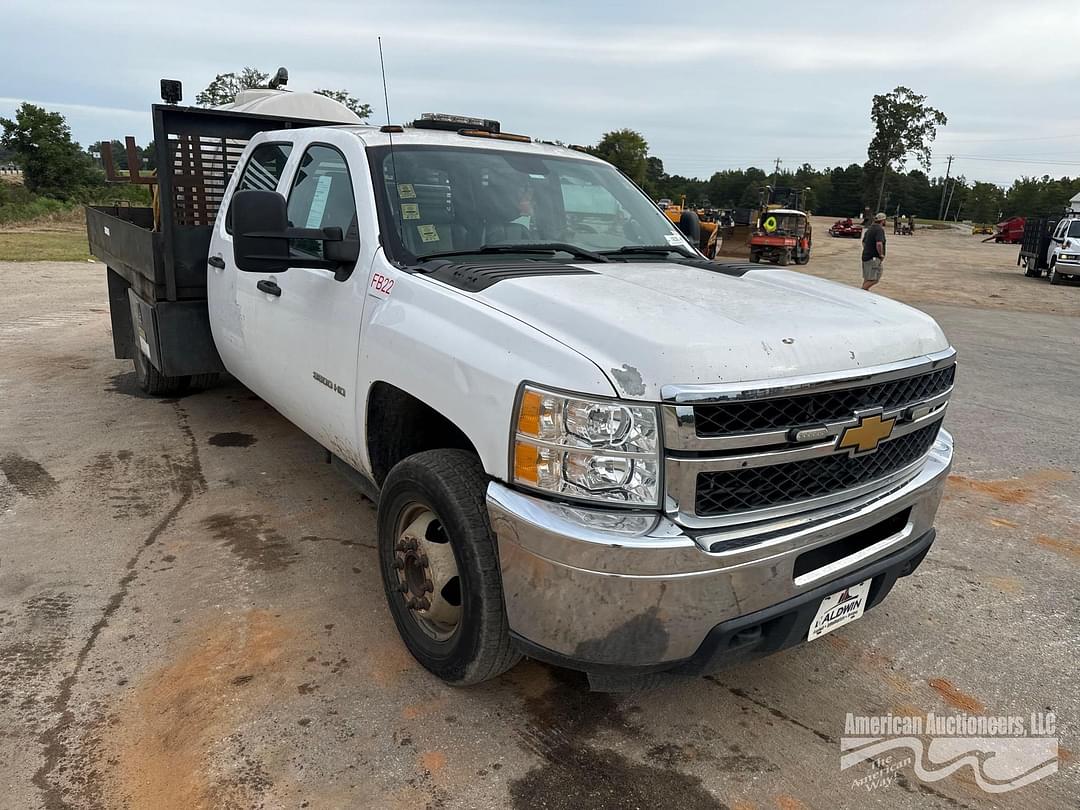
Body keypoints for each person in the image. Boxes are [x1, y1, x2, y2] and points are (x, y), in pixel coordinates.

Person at [861, 212, 887, 290]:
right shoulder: (879, 230)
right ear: (882, 220)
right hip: (873, 258)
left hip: (866, 257)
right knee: (874, 279)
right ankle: (861, 292)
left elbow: (863, 242)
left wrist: (867, 250)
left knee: (868, 278)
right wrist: (881, 254)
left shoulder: (870, 229)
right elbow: (879, 244)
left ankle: (864, 294)